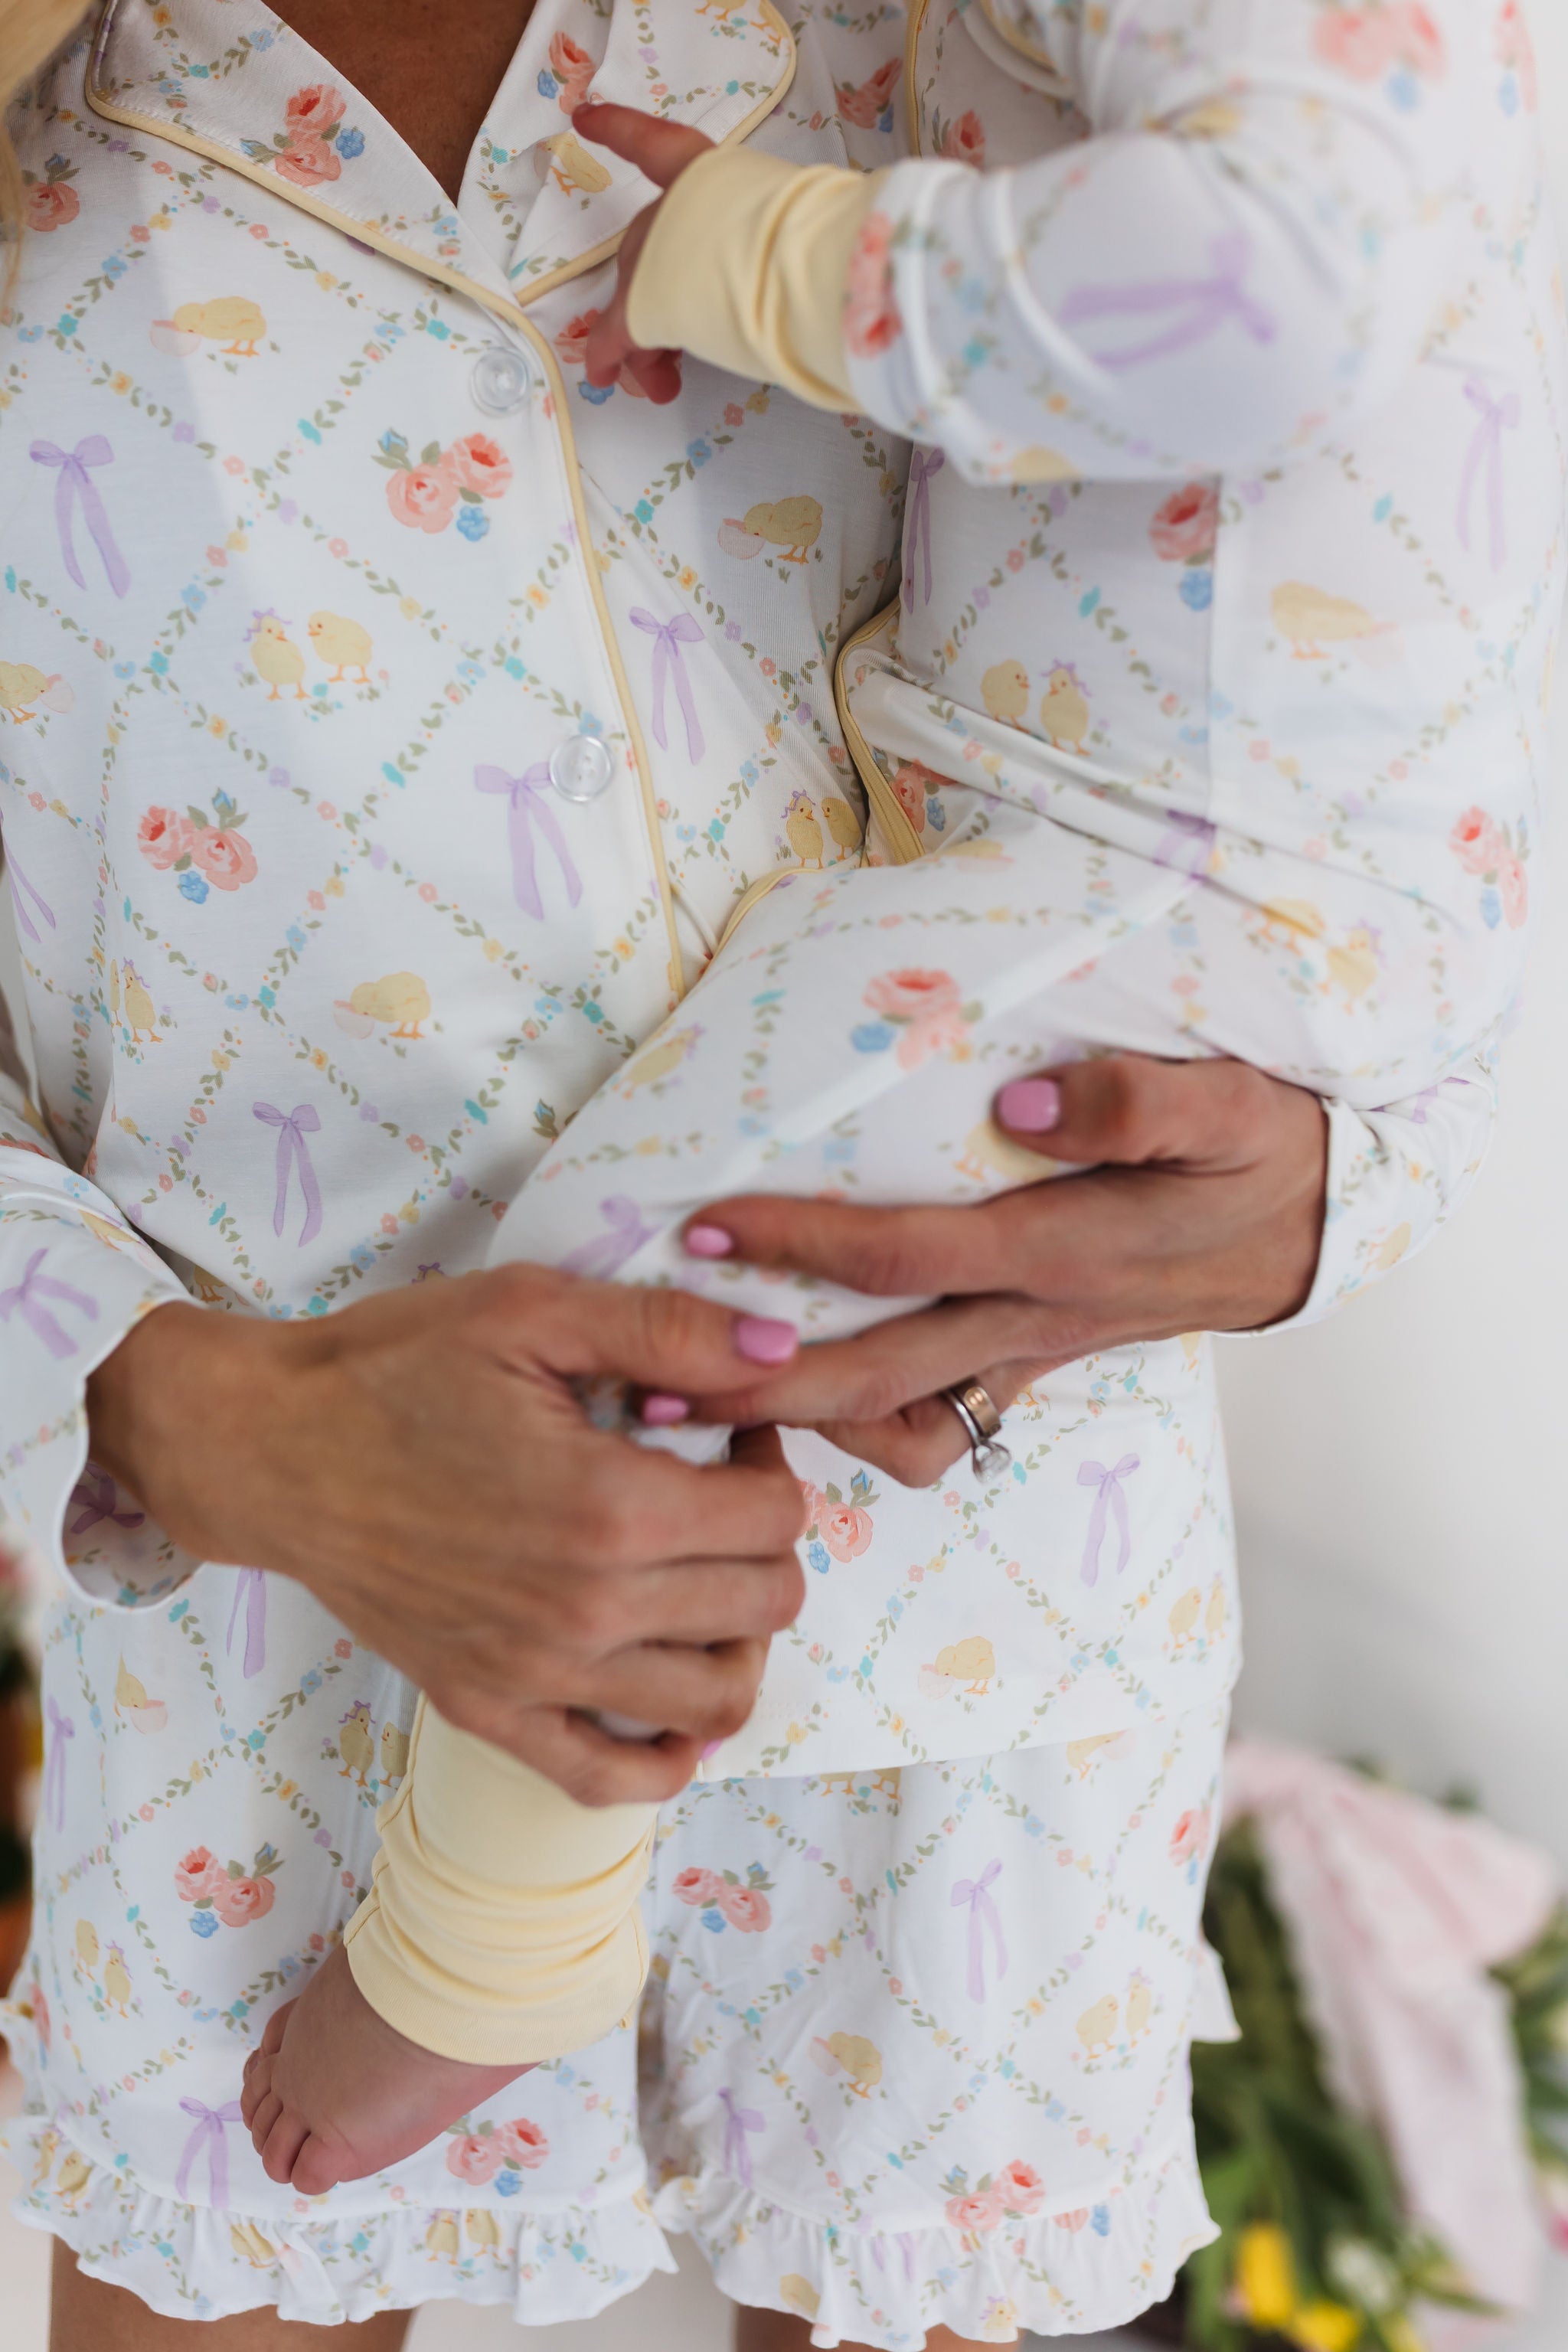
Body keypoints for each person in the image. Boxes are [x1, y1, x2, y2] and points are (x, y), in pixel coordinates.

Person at [0, 3, 1527, 2349]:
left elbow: (1371, 624)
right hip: (279, 1627)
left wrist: (1333, 1180)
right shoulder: (58, 161)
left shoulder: (964, 45)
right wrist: (204, 1422)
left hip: (991, 1591)